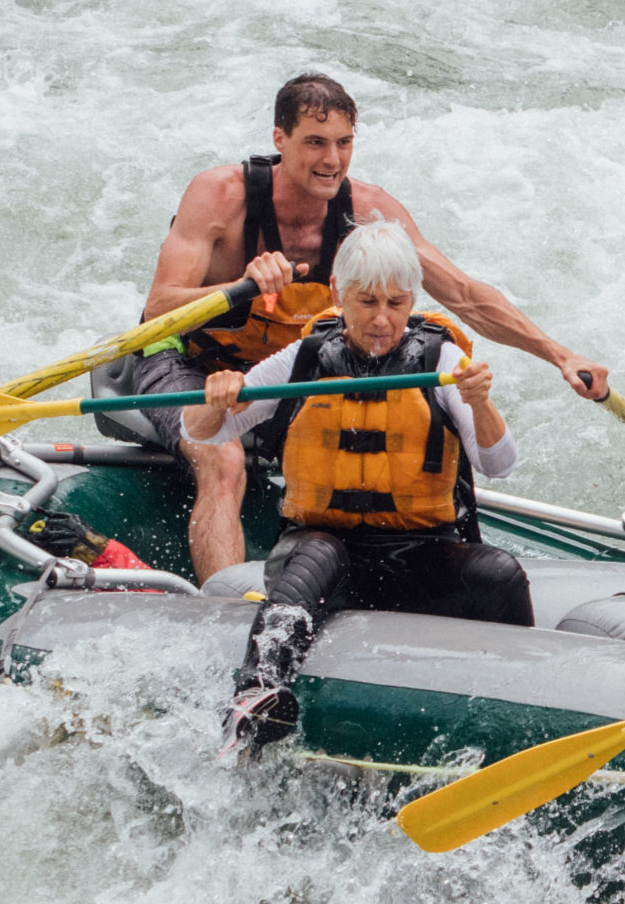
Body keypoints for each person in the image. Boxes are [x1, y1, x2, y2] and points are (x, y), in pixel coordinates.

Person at [135, 73, 610, 583]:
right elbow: (160, 306)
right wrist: (239, 287)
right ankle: (223, 613)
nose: (331, 160)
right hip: (189, 363)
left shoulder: (367, 210)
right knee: (222, 459)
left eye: (344, 143)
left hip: (286, 369)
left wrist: (560, 355)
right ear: (280, 140)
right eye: (315, 143)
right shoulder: (221, 196)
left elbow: (466, 295)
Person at [183, 217, 532, 755]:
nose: (381, 319)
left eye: (396, 303)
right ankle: (257, 693)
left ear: (412, 300)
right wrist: (216, 399)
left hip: (417, 557)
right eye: (367, 302)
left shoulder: (442, 361)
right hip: (325, 555)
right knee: (312, 557)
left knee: (500, 574)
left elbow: (499, 463)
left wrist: (481, 403)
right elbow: (204, 430)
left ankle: (524, 710)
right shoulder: (302, 359)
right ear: (338, 295)